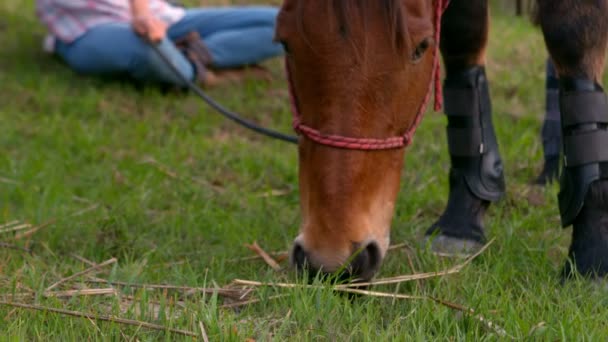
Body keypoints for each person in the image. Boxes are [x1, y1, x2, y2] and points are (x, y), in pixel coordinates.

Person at [35, 0, 284, 87]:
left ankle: (194, 56)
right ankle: (204, 76)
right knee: (149, 50)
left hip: (159, 17)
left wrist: (142, 14)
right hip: (88, 29)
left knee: (285, 24)